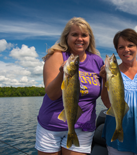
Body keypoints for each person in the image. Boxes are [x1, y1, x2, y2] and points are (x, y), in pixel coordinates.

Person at [35, 17, 104, 155]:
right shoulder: (56, 55)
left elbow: (106, 97)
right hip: (51, 126)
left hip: (83, 127)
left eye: (84, 35)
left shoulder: (97, 61)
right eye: (74, 34)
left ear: (89, 38)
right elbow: (53, 94)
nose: (80, 38)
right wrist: (62, 73)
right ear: (66, 37)